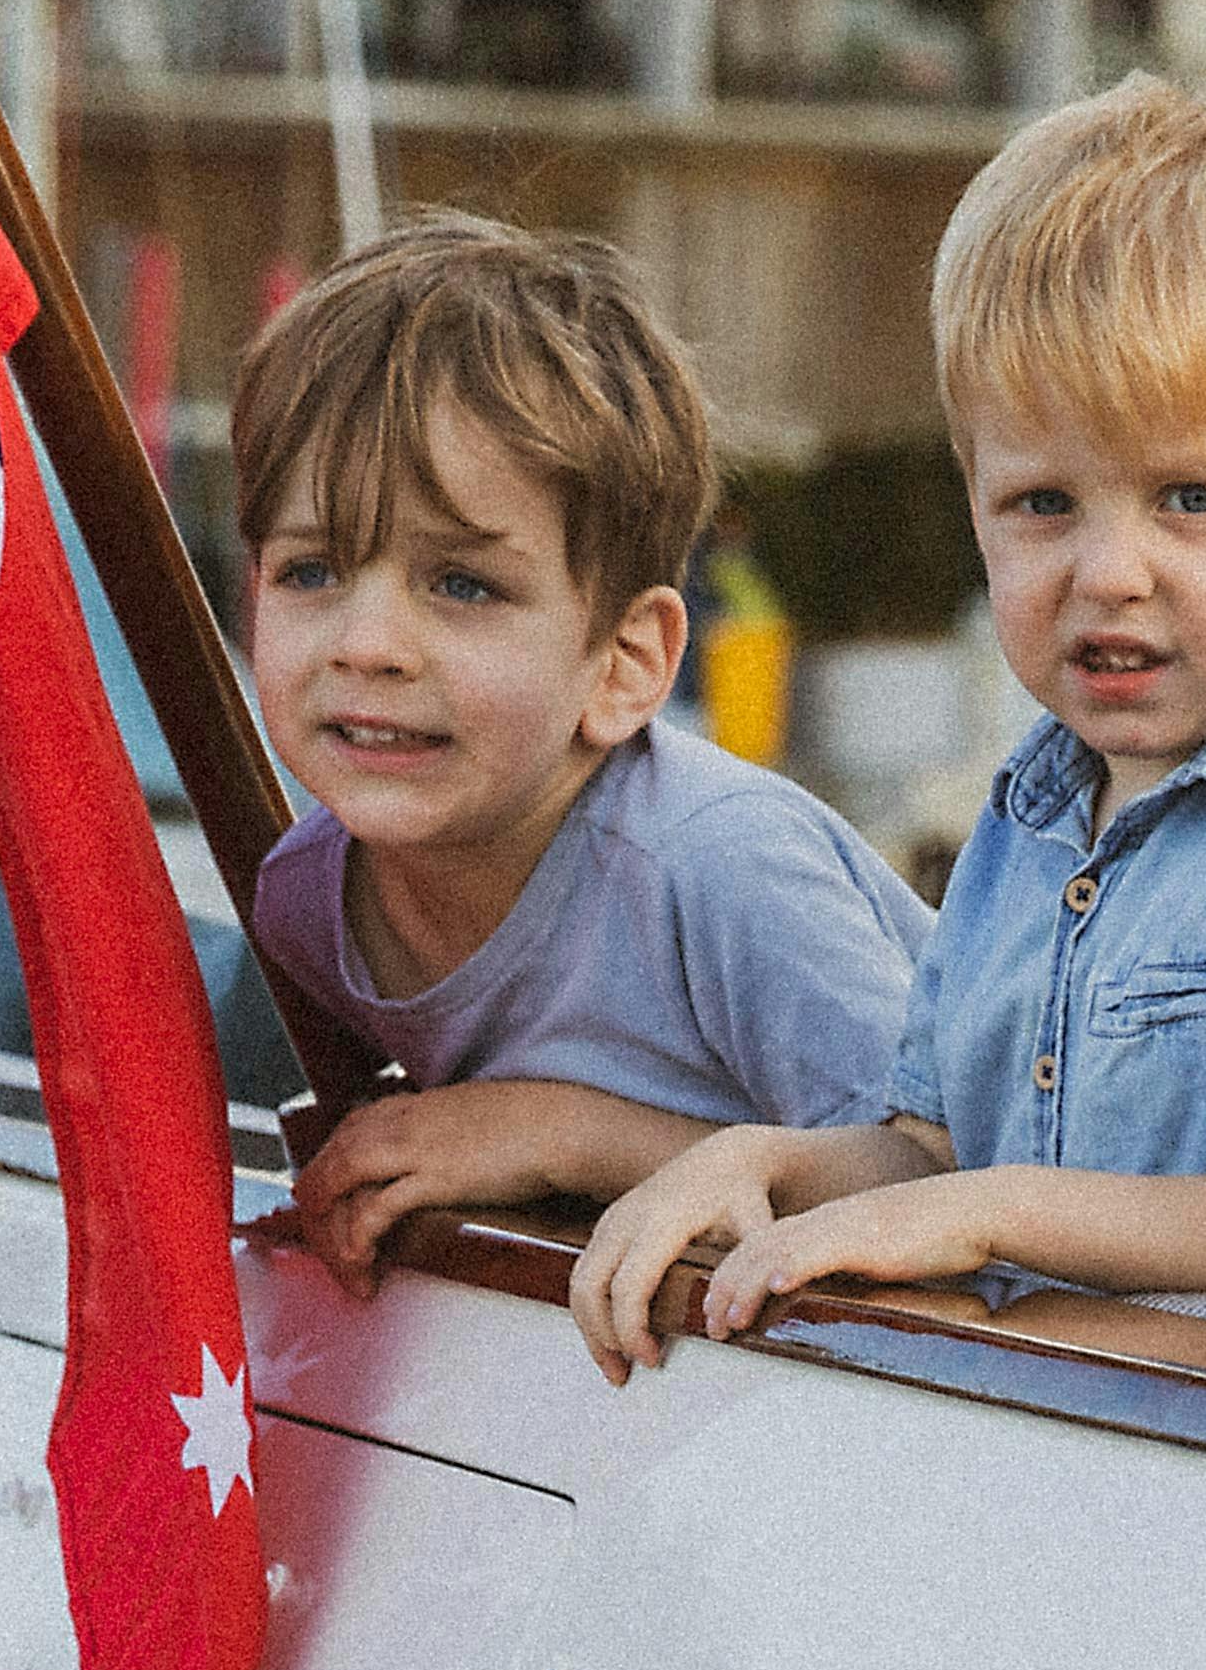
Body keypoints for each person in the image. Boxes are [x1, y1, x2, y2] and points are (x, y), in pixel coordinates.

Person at [564, 77, 1206, 1377]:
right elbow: (931, 1155)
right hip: (1042, 1483)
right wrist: (764, 1167)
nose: (1108, 570)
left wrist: (992, 1216)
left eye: (1190, 498)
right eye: (1041, 504)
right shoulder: (1030, 819)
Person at [240, 217, 935, 1289]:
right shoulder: (303, 907)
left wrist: (556, 1133)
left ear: (624, 663)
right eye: (311, 570)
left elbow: (958, 1185)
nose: (366, 646)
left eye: (461, 584)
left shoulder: (720, 873)